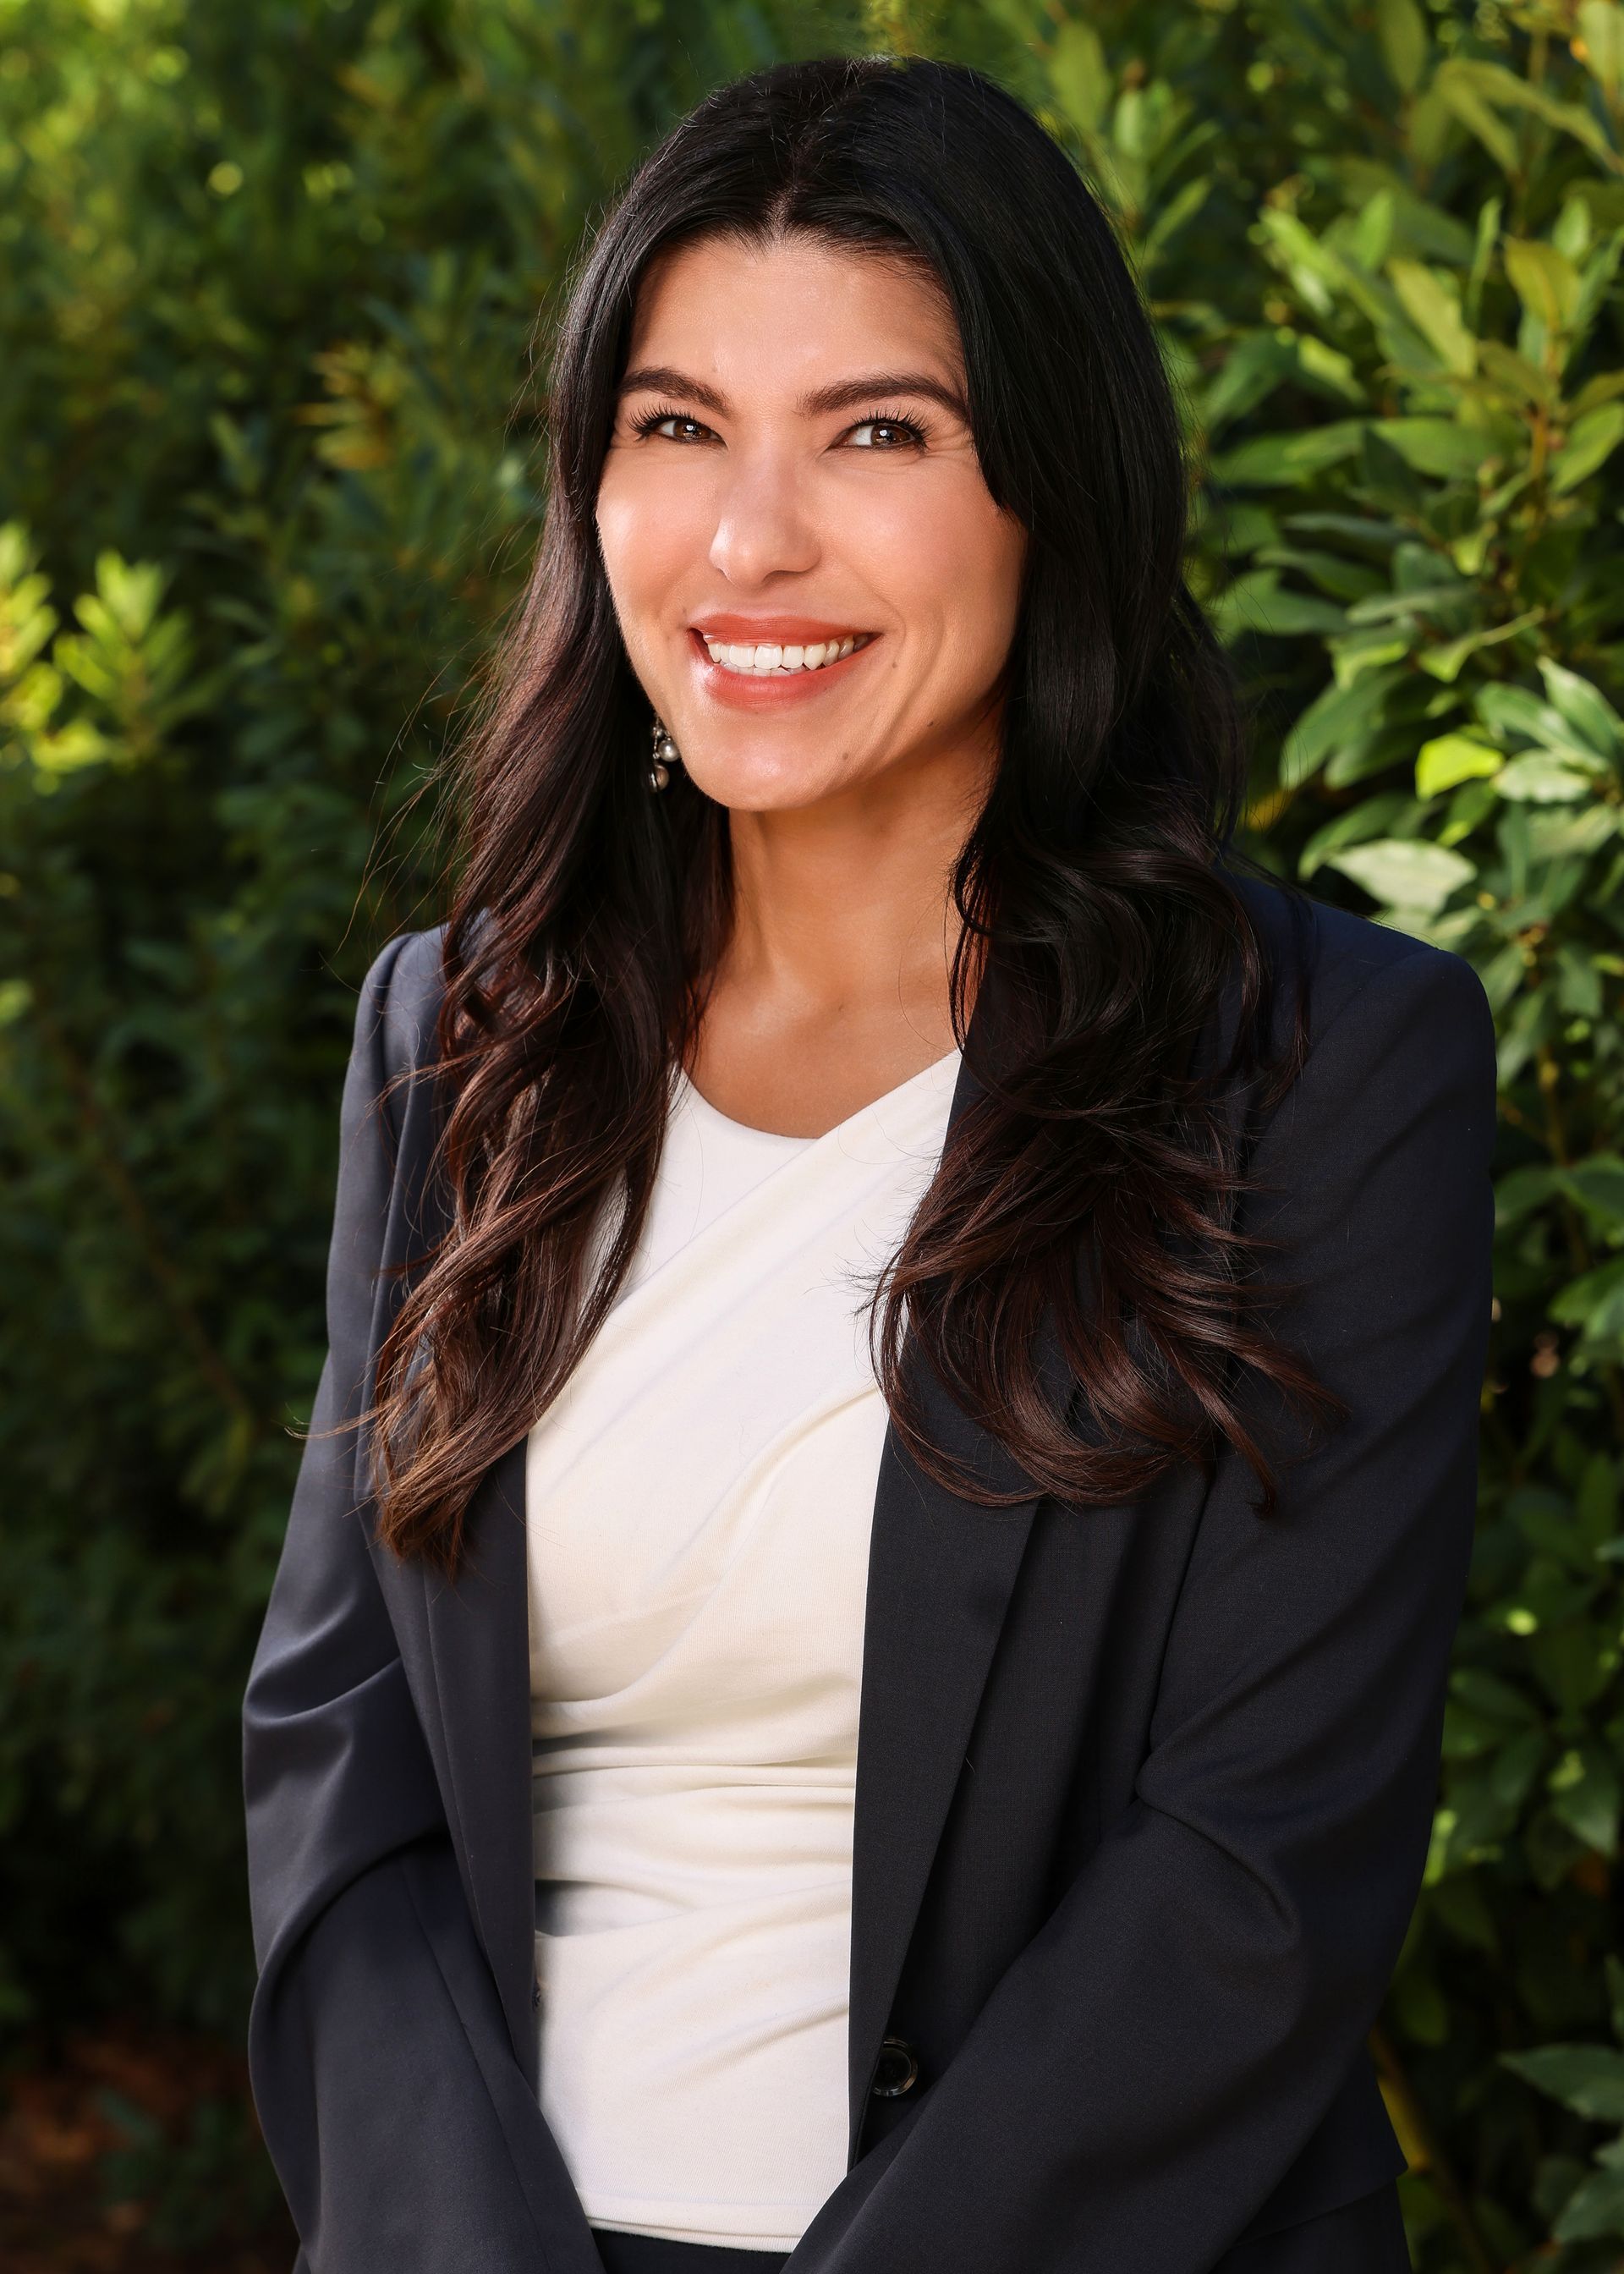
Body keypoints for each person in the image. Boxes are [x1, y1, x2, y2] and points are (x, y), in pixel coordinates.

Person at [242, 52, 1496, 2274]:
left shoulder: (1318, 1071)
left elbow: (1252, 1878)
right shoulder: (461, 1044)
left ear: (1056, 494)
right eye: (678, 426)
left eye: (879, 433)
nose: (751, 542)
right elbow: (344, 1770)